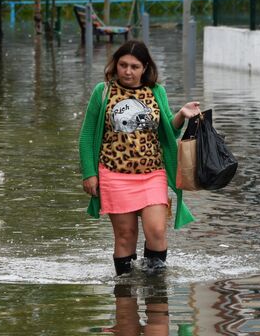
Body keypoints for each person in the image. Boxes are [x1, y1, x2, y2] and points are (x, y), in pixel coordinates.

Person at [78, 40, 199, 276]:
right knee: (125, 235)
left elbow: (168, 131)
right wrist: (89, 174)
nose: (128, 71)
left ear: (145, 67)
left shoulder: (156, 91)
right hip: (114, 174)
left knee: (156, 230)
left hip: (152, 174)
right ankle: (125, 292)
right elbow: (86, 136)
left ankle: (155, 289)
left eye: (134, 66)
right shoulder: (102, 92)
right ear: (116, 65)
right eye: (123, 65)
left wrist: (181, 115)